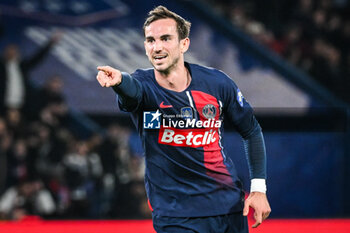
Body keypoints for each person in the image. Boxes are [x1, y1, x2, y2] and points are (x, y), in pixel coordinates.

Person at [97, 6, 270, 232]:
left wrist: (258, 189)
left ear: (184, 44)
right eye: (151, 40)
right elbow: (132, 91)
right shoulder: (143, 86)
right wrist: (120, 81)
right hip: (176, 216)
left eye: (166, 38)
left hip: (228, 208)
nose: (157, 47)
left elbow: (251, 131)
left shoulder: (217, 84)